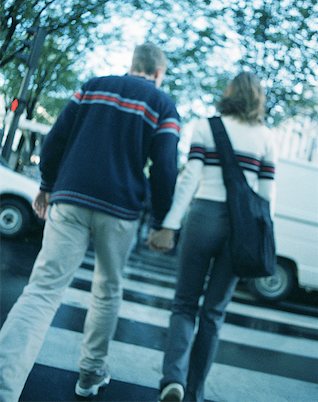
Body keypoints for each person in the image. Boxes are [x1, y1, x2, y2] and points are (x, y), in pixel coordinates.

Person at [0, 43, 180, 402]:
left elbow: (55, 140)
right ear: (158, 73)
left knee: (42, 290)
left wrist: (47, 186)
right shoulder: (162, 104)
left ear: (132, 65)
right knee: (107, 289)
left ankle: (4, 385)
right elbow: (165, 166)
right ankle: (90, 373)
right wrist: (162, 221)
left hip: (70, 197)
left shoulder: (92, 86)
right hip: (120, 209)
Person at [149, 72, 277, 402]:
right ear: (257, 99)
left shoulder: (205, 127)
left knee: (184, 304)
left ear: (229, 93)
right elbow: (266, 197)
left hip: (203, 216)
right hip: (241, 228)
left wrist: (170, 224)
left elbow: (189, 179)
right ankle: (195, 391)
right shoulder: (266, 137)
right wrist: (262, 239)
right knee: (214, 313)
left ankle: (172, 379)